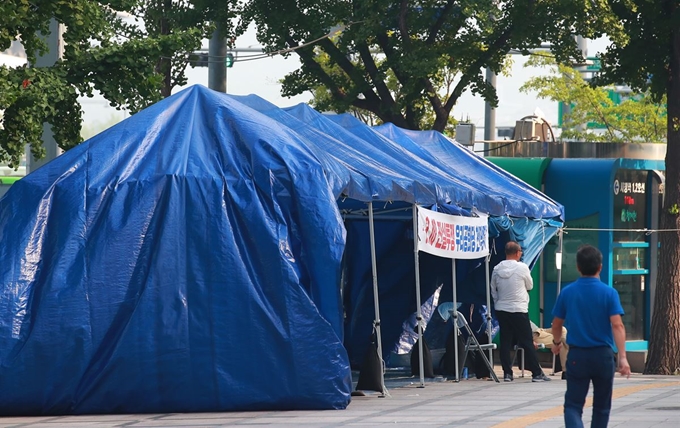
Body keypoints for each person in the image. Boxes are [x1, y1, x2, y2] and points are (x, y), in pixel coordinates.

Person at [551, 244, 631, 428]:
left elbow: (556, 324)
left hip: (577, 356)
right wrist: (623, 358)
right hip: (603, 356)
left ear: (578, 267)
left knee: (573, 404)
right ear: (600, 267)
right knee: (602, 406)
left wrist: (556, 342)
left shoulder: (568, 292)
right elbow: (617, 325)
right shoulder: (609, 293)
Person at [491, 241, 551, 382]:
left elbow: (493, 289)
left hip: (502, 309)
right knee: (526, 341)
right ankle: (537, 373)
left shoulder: (496, 268)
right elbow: (530, 285)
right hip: (519, 308)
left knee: (505, 341)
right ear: (518, 252)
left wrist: (498, 302)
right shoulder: (522, 268)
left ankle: (507, 373)